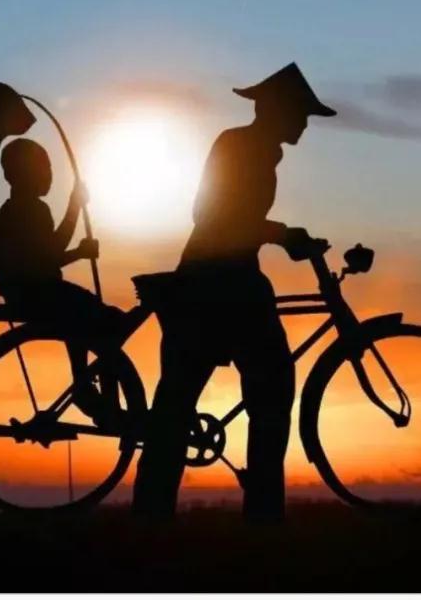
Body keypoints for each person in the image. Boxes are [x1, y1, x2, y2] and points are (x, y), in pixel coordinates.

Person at [132, 62, 336, 523]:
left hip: (209, 280)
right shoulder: (245, 149)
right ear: (278, 111)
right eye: (300, 114)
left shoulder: (249, 148)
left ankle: (151, 517)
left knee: (176, 403)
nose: (304, 124)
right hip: (225, 284)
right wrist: (282, 234)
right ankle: (262, 516)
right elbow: (218, 218)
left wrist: (278, 236)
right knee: (269, 394)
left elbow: (219, 217)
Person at [0, 137, 130, 412]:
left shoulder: (15, 209)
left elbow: (40, 258)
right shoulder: (31, 209)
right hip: (36, 293)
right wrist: (74, 207)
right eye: (45, 168)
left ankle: (84, 383)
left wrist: (79, 252)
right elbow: (51, 253)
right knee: (109, 319)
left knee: (87, 314)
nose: (50, 175)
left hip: (26, 290)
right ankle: (91, 390)